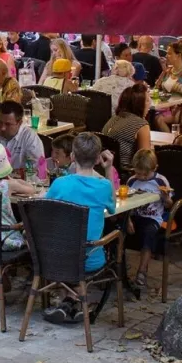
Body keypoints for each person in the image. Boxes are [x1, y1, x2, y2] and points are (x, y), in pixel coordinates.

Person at [41, 133, 117, 324]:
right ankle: (75, 302)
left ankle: (70, 302)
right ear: (98, 158)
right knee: (87, 249)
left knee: (67, 242)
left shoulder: (60, 184)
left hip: (58, 256)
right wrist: (108, 170)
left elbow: (46, 210)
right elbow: (113, 208)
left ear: (72, 156)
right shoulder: (104, 187)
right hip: (90, 258)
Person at [125, 148, 171, 292]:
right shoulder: (132, 181)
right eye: (137, 173)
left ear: (154, 169)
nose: (141, 177)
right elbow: (125, 203)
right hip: (135, 215)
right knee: (117, 229)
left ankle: (142, 271)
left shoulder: (160, 181)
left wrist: (164, 196)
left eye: (144, 175)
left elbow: (170, 205)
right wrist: (127, 220)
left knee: (148, 234)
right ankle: (117, 267)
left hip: (153, 217)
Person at [102, 85, 153, 177]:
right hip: (127, 174)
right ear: (139, 104)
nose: (150, 104)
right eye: (147, 100)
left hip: (106, 170)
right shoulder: (141, 125)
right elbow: (145, 159)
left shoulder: (113, 119)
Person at [152, 41, 182, 128]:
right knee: (148, 116)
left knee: (159, 119)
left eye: (170, 54)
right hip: (165, 106)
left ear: (178, 55)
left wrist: (178, 100)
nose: (166, 56)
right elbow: (156, 88)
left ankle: (171, 141)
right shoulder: (167, 71)